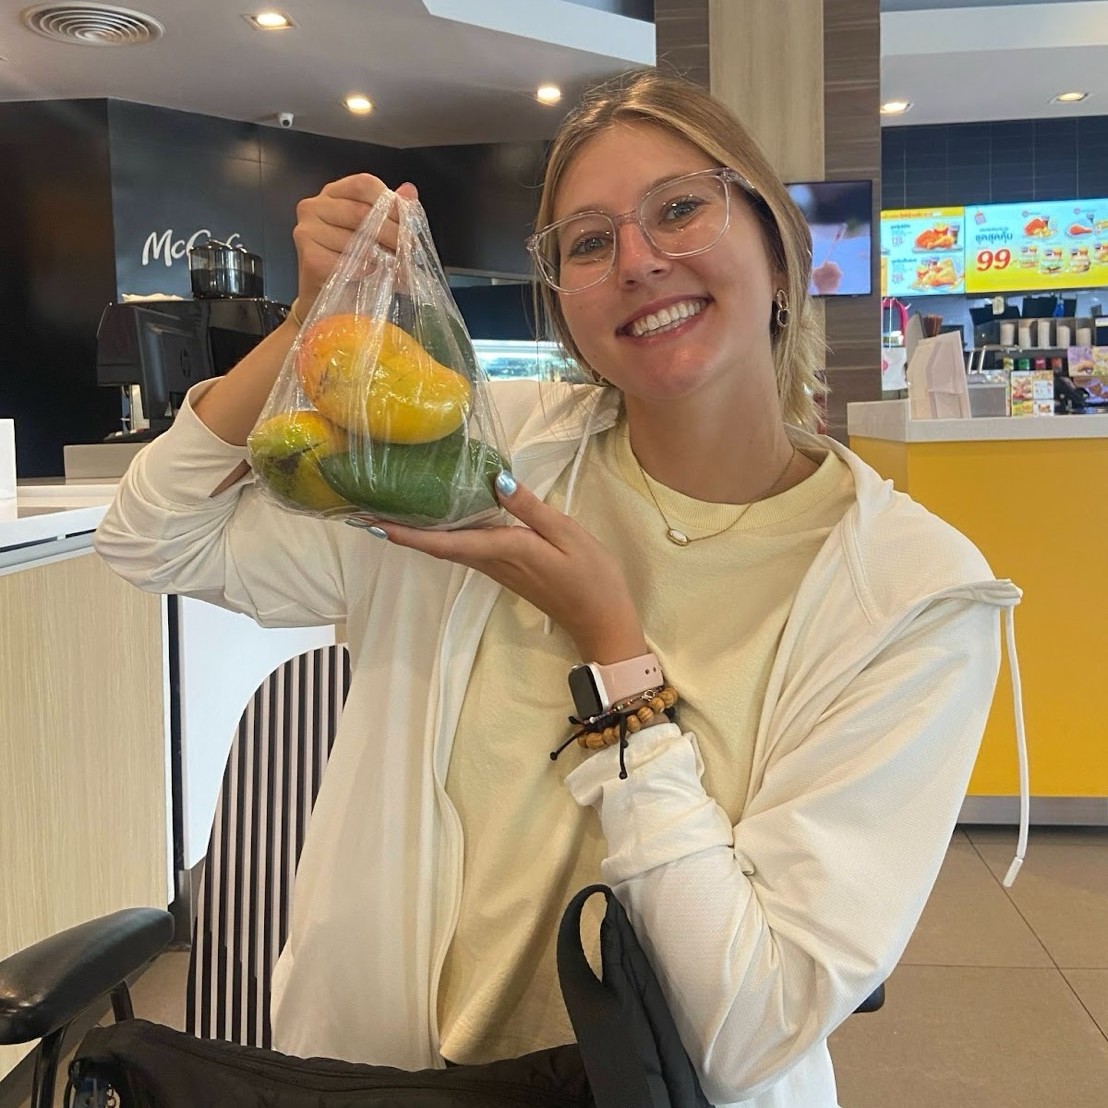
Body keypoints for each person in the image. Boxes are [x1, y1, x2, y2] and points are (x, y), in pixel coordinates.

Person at [95, 69, 1024, 1108]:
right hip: (380, 1074)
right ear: (565, 308)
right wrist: (310, 318)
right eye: (588, 242)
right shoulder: (477, 454)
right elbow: (153, 538)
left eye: (680, 207)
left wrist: (615, 658)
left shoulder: (908, 592)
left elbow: (745, 1029)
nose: (637, 259)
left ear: (779, 250)